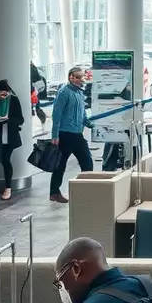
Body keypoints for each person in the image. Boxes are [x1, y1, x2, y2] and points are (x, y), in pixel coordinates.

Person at [48, 66, 96, 203]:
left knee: (87, 161)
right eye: (79, 77)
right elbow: (56, 114)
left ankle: (88, 190)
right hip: (65, 134)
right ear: (71, 77)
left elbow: (82, 112)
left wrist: (88, 123)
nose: (82, 80)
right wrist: (55, 135)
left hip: (77, 134)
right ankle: (54, 192)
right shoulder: (64, 92)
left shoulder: (80, 93)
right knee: (60, 164)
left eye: (82, 77)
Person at [0, 79, 24, 201]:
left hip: (10, 135)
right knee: (2, 159)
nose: (2, 94)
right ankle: (7, 186)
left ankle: (8, 188)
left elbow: (20, 119)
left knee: (6, 159)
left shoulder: (14, 100)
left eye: (5, 92)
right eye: (0, 92)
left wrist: (7, 120)